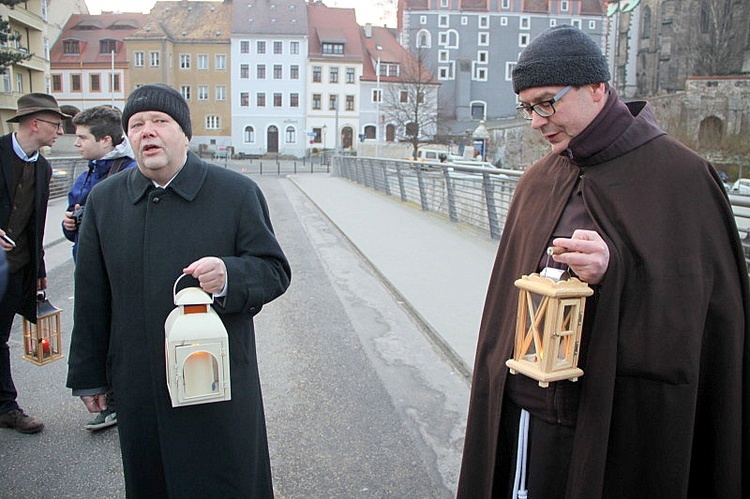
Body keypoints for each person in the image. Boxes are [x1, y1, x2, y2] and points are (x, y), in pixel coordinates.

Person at [457, 25, 749, 498]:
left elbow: (710, 315)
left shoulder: (683, 179)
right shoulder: (538, 180)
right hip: (528, 416)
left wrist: (616, 272)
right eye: (528, 107)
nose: (536, 121)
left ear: (597, 88)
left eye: (547, 102)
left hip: (623, 424)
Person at [66, 84, 291, 496]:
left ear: (184, 134)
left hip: (217, 377)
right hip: (138, 382)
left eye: (160, 121)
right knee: (153, 480)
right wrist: (89, 376)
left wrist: (230, 275)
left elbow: (275, 271)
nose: (147, 131)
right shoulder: (105, 200)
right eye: (136, 124)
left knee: (224, 480)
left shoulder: (235, 193)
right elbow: (93, 296)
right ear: (127, 137)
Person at [62, 106, 136, 432]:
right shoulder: (90, 171)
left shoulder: (127, 172)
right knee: (96, 333)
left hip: (117, 272)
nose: (76, 143)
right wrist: (69, 225)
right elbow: (74, 217)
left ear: (105, 140)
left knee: (118, 340)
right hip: (89, 266)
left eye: (82, 137)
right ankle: (108, 397)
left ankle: (117, 403)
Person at [0, 93, 68, 434]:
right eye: (56, 125)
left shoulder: (42, 166)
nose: (60, 131)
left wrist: (39, 271)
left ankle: (5, 407)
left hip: (17, 268)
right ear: (35, 123)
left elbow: (36, 224)